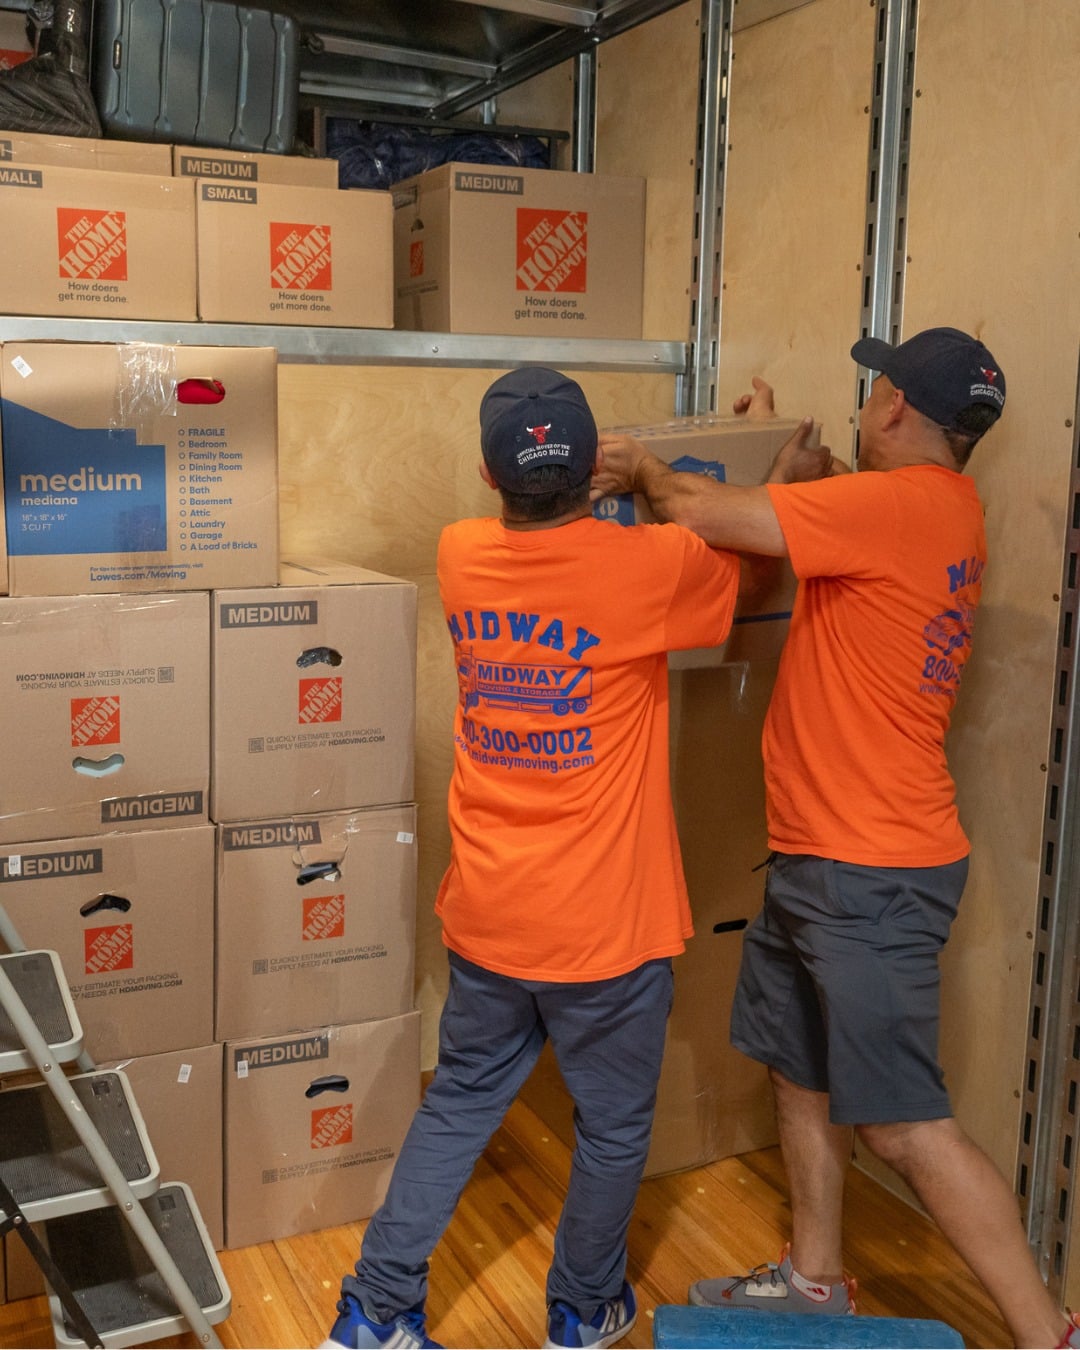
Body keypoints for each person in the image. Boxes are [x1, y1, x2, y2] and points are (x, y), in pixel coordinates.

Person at [594, 328, 1080, 1349]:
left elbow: (692, 507)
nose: (864, 407)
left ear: (893, 407)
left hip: (873, 868)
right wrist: (779, 475)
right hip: (825, 853)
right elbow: (778, 533)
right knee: (797, 1067)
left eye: (873, 392)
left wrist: (641, 461)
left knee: (902, 1123)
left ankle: (1048, 1336)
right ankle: (817, 1280)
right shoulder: (927, 509)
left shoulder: (893, 505)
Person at [320, 365, 766, 1350]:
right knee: (610, 1129)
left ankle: (376, 1310)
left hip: (489, 912)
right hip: (609, 930)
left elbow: (563, 545)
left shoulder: (461, 552)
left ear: (490, 476)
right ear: (591, 465)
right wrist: (713, 455)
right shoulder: (646, 566)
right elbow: (741, 566)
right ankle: (583, 1307)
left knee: (463, 1101)